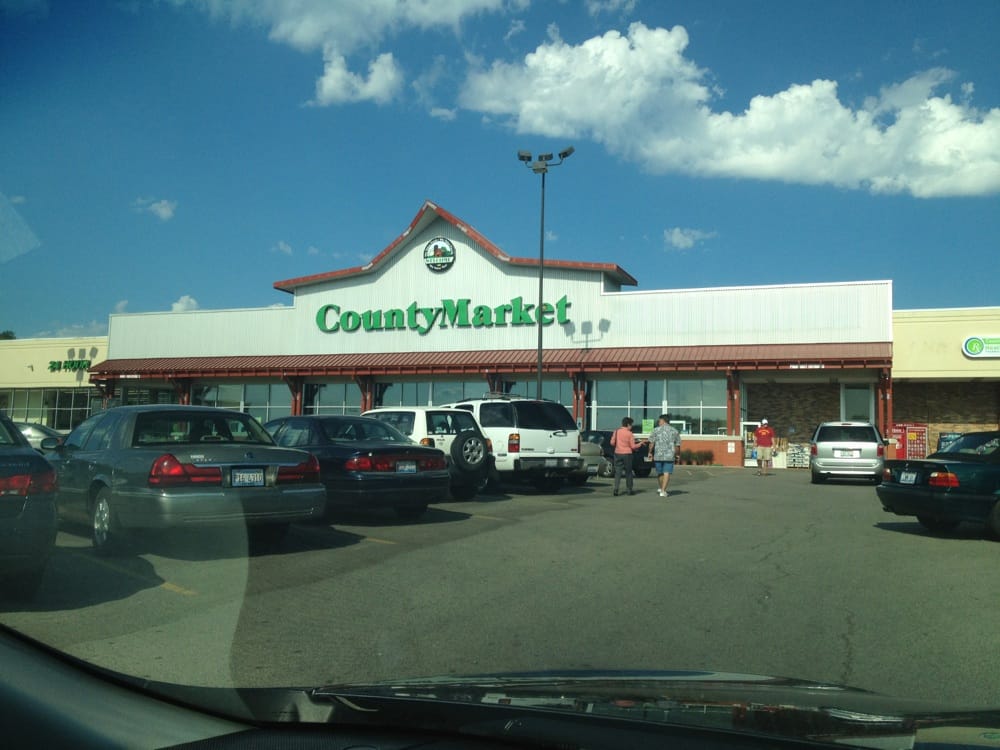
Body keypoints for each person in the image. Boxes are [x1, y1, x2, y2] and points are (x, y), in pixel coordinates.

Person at [648, 414, 682, 497]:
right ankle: (663, 490)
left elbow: (651, 443)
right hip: (669, 456)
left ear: (663, 421)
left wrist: (649, 452)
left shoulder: (655, 430)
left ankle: (662, 489)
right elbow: (677, 445)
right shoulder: (674, 431)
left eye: (659, 421)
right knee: (666, 472)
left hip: (658, 455)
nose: (658, 422)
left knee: (660, 473)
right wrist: (677, 455)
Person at [609, 416, 641, 496]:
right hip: (627, 454)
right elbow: (633, 446)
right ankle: (629, 490)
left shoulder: (616, 431)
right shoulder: (630, 434)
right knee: (628, 472)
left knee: (618, 472)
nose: (631, 426)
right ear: (628, 424)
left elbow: (612, 443)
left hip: (617, 453)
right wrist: (640, 444)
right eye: (631, 425)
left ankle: (616, 489)